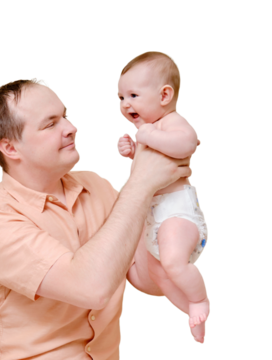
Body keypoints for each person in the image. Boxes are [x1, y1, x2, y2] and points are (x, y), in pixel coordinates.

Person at [0, 75, 197, 359]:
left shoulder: (96, 185)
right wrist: (140, 183)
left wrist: (169, 210)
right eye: (50, 124)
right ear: (10, 148)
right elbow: (91, 288)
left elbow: (145, 281)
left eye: (65, 115)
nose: (71, 128)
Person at [116, 50, 209, 345]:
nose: (125, 103)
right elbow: (147, 170)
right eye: (120, 98)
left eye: (132, 95)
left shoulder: (173, 122)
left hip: (177, 213)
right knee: (161, 275)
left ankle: (199, 300)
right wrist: (132, 152)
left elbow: (186, 145)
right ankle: (190, 314)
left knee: (172, 261)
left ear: (165, 95)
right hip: (154, 217)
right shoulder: (147, 131)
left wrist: (147, 137)